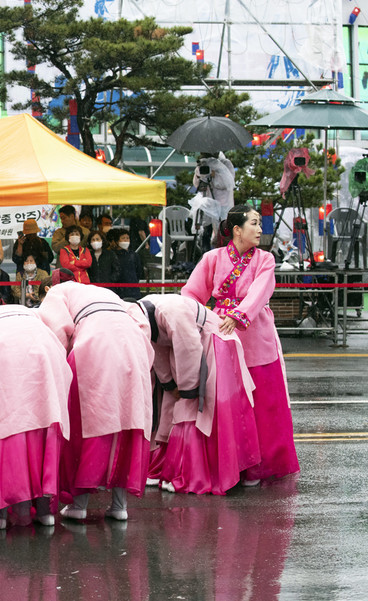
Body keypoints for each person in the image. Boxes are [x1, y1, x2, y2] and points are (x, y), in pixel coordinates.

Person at [181, 205, 299, 484]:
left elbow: (260, 292)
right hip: (221, 331)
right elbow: (191, 293)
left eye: (260, 224)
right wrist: (191, 320)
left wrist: (238, 314)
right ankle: (230, 462)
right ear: (237, 230)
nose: (260, 230)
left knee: (263, 403)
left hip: (255, 332)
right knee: (224, 402)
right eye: (254, 224)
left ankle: (258, 464)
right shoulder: (212, 258)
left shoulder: (265, 259)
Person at [38, 279, 153, 521]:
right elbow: (142, 323)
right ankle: (119, 506)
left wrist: (61, 364)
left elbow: (57, 329)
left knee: (89, 424)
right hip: (133, 345)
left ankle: (79, 505)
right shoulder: (105, 292)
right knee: (128, 423)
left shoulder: (57, 292)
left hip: (94, 342)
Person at [0, 290, 72, 529]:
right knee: (46, 425)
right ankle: (45, 511)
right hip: (48, 352)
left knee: (4, 430)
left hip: (2, 355)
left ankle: (0, 514)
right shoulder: (29, 311)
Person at [134, 294, 261, 495]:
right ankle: (172, 468)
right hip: (191, 344)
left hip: (214, 341)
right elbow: (157, 350)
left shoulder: (169, 311)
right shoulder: (146, 315)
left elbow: (189, 348)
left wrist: (187, 390)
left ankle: (198, 472)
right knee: (174, 403)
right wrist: (169, 385)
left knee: (201, 407)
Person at [112, 228, 145, 300]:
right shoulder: (113, 255)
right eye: (123, 238)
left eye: (127, 238)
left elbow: (139, 272)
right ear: (117, 241)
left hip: (133, 290)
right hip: (118, 290)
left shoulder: (134, 255)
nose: (126, 240)